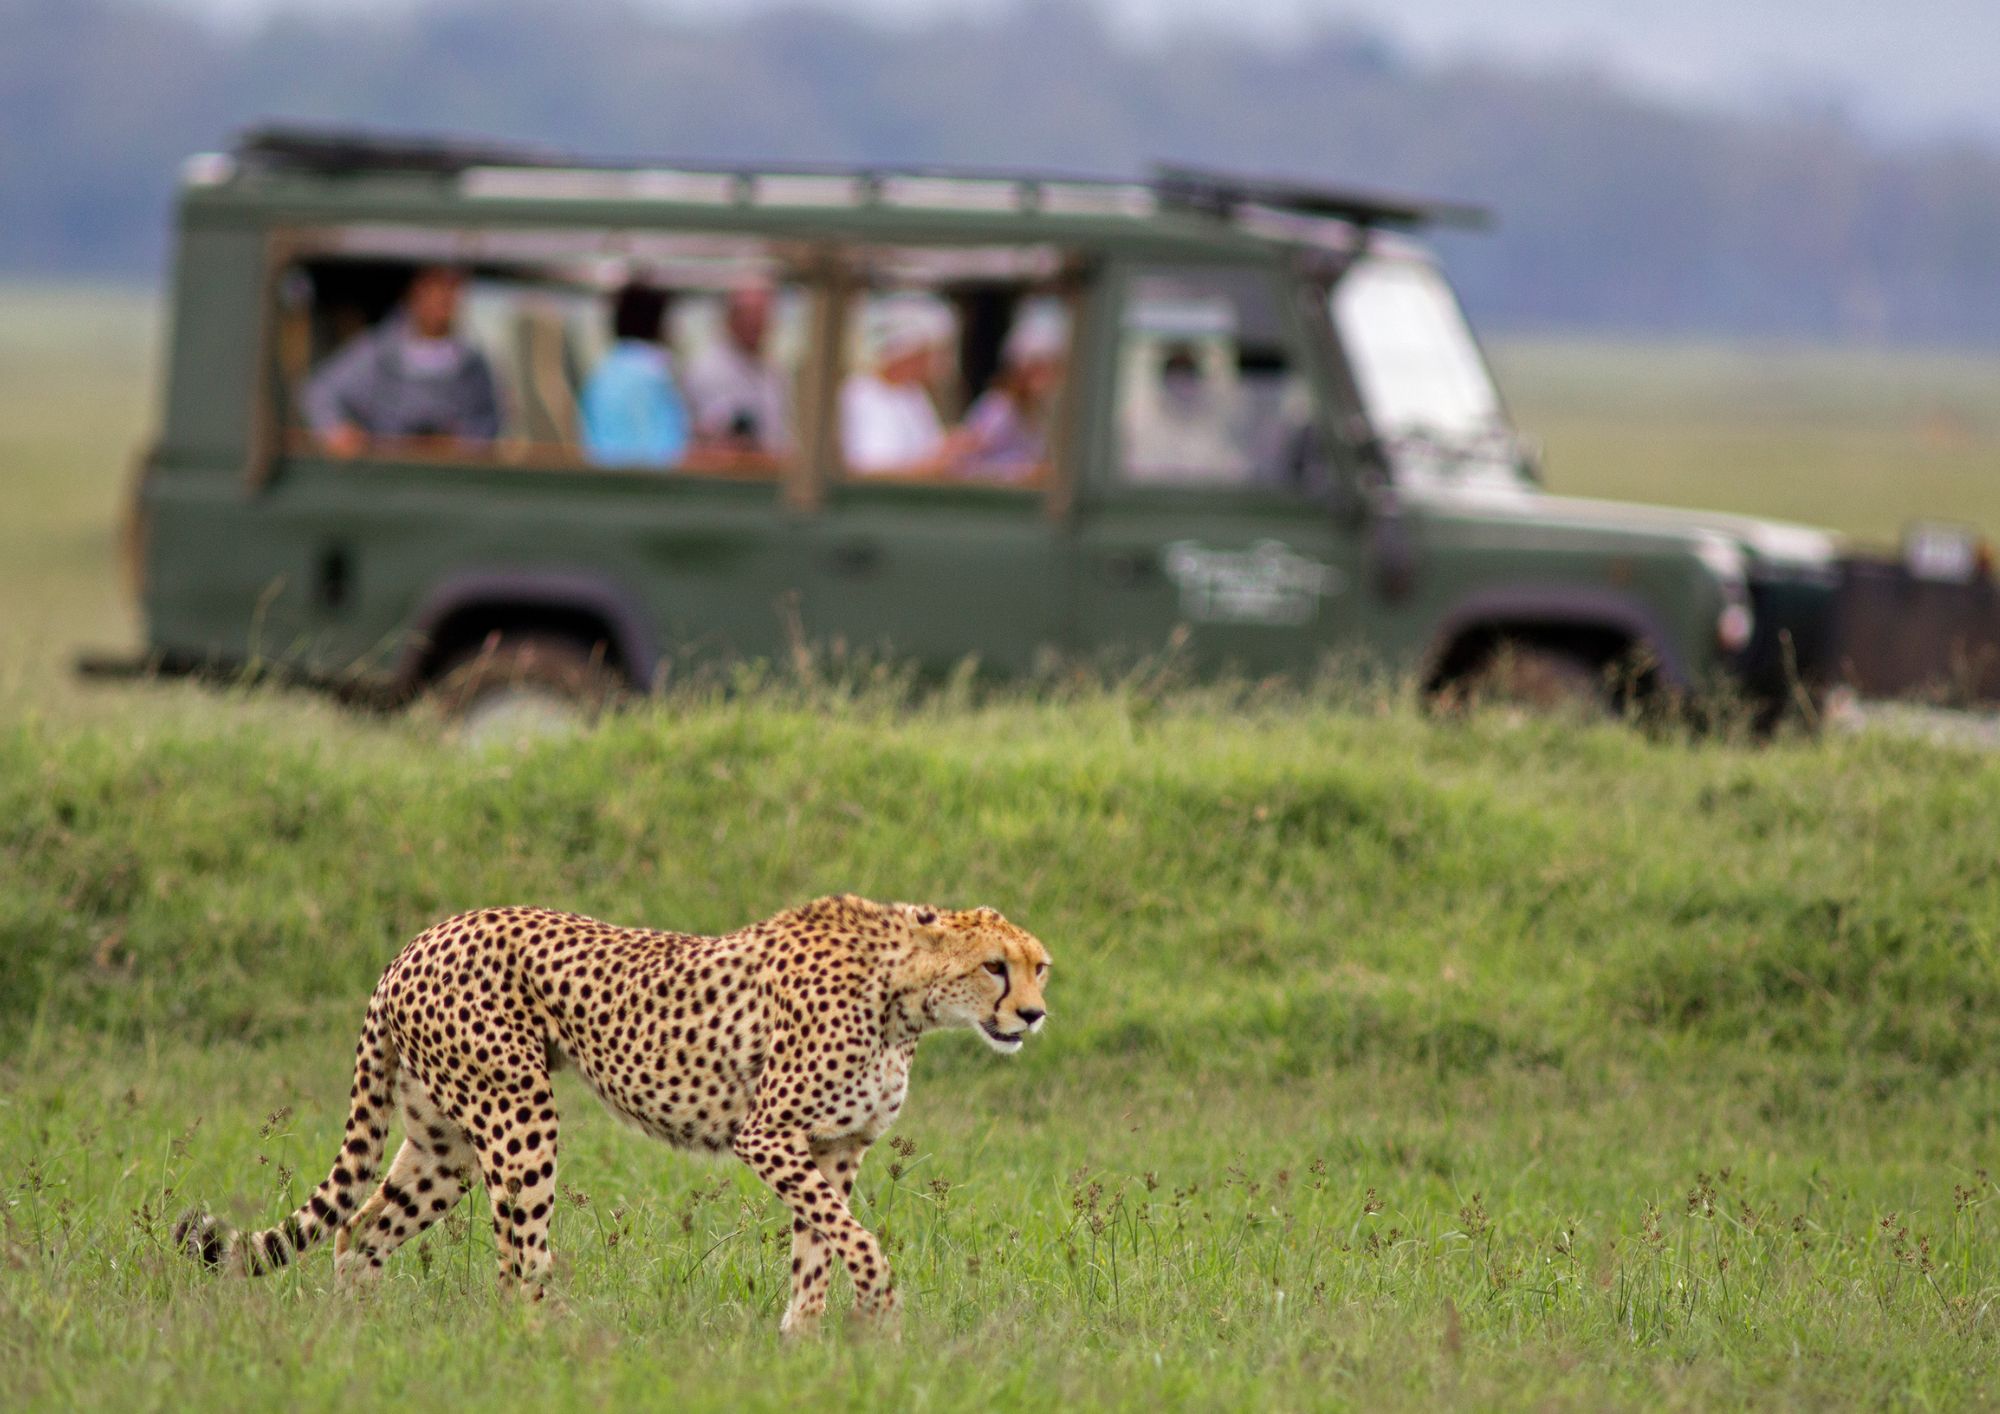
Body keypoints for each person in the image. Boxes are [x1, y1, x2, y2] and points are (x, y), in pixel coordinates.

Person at [303, 264, 501, 456]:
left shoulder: (473, 365)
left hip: (451, 481)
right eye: (433, 286)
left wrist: (461, 446)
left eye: (452, 287)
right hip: (385, 479)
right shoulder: (378, 352)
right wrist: (338, 431)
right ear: (415, 291)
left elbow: (487, 424)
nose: (442, 297)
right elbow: (320, 391)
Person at [839, 297, 978, 476]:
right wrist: (938, 462)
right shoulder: (861, 392)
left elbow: (928, 451)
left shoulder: (913, 393)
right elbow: (874, 470)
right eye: (928, 355)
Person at [579, 282, 690, 468]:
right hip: (650, 490)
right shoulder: (656, 377)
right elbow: (664, 453)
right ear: (658, 323)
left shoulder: (601, 374)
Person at [956, 302, 1067, 481]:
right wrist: (1022, 472)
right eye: (1038, 369)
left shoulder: (1039, 411)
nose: (1045, 378)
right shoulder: (998, 408)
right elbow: (964, 463)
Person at [684, 281, 791, 454]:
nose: (755, 324)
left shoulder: (772, 371)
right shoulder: (707, 369)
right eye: (748, 315)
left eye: (761, 315)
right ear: (731, 317)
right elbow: (716, 437)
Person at [1121, 342, 1251, 483]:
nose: (1181, 385)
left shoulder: (1214, 424)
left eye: (1187, 375)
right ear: (1165, 381)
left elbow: (1233, 470)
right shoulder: (1140, 420)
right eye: (1176, 377)